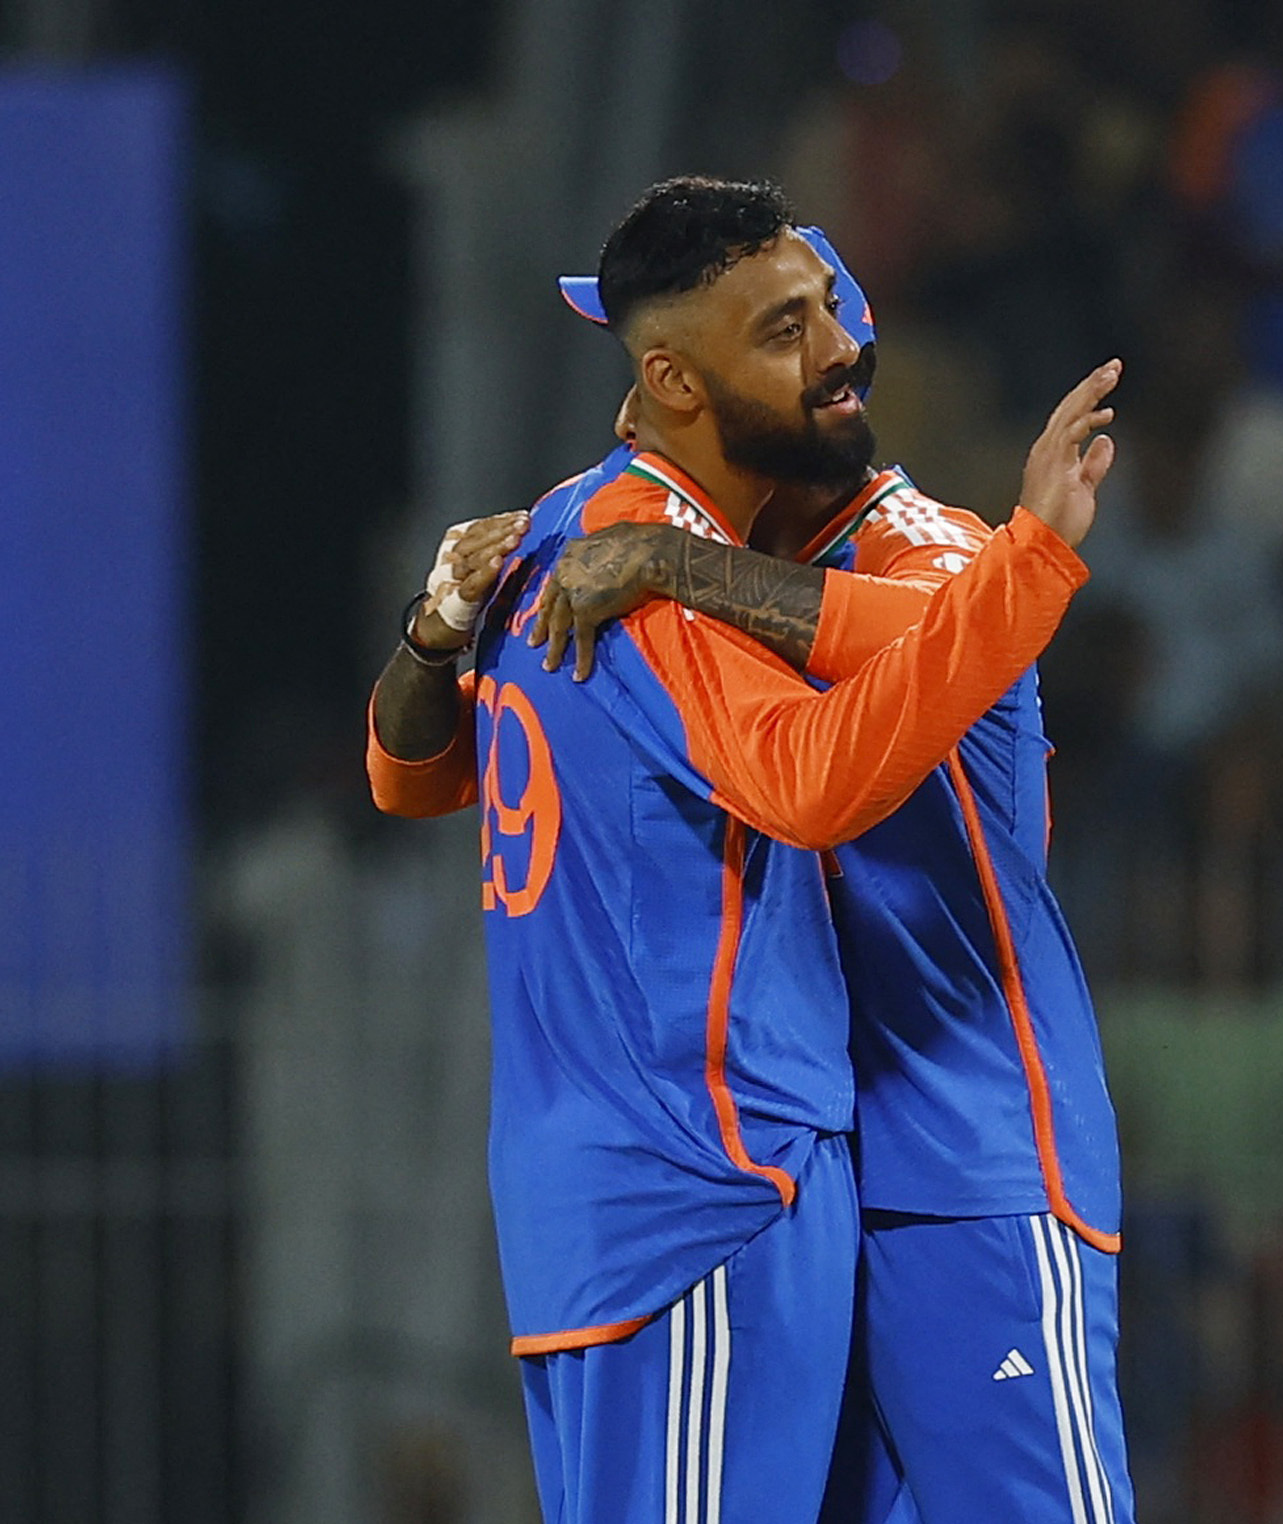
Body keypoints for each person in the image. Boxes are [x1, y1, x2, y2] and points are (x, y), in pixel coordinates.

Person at [373, 180, 1135, 1524]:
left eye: (833, 326)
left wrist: (673, 564)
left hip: (971, 1154)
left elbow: (939, 646)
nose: (836, 360)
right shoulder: (613, 546)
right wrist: (439, 630)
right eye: (787, 334)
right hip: (797, 1163)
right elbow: (415, 774)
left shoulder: (915, 544)